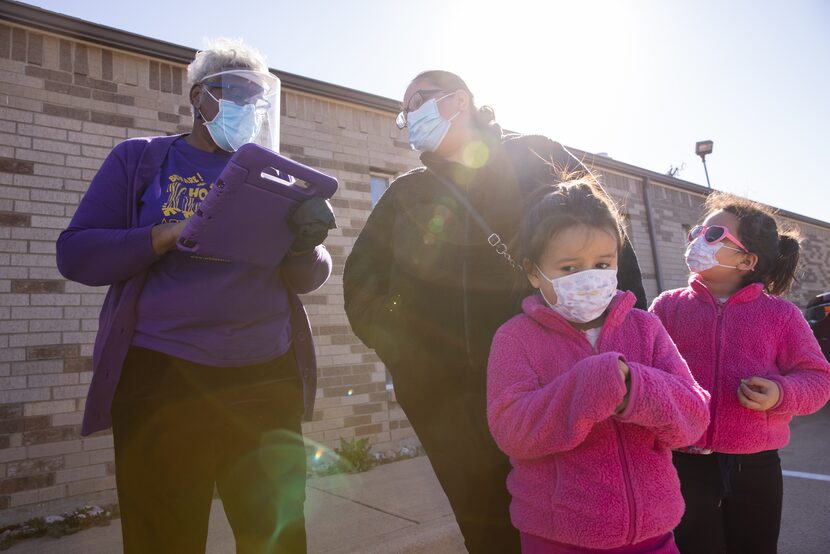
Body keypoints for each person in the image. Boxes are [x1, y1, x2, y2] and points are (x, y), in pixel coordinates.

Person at [343, 70, 647, 553]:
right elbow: (360, 286)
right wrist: (411, 357)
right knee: (483, 525)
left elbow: (606, 237)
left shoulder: (533, 155)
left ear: (458, 100)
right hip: (447, 402)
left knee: (575, 516)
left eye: (416, 102)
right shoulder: (405, 195)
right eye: (404, 113)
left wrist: (627, 340)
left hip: (545, 381)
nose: (408, 118)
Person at [56, 38, 335, 554]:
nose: (245, 106)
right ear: (197, 98)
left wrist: (307, 245)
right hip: (163, 376)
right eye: (231, 92)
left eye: (256, 98)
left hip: (263, 375)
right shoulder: (140, 160)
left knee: (275, 536)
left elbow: (306, 276)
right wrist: (165, 233)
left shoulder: (273, 174)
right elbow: (76, 254)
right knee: (165, 535)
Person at [487, 178, 710, 553]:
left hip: (654, 535)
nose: (588, 277)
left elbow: (694, 417)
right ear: (532, 271)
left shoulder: (645, 327)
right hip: (558, 537)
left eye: (602, 263)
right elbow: (511, 429)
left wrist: (635, 389)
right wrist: (588, 387)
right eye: (569, 267)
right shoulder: (515, 338)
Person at [650, 192, 830, 554]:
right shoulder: (667, 307)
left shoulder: (780, 315)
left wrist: (781, 394)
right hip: (682, 464)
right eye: (698, 230)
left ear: (748, 260)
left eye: (713, 234)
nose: (698, 238)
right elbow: (645, 368)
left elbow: (818, 378)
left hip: (756, 468)